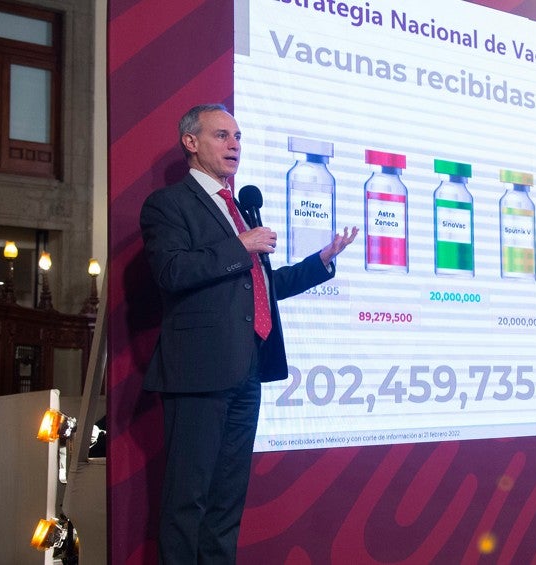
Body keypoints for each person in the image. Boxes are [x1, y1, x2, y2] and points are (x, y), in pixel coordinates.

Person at [140, 103, 358, 563]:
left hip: (247, 369)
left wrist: (319, 263)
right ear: (191, 142)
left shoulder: (239, 209)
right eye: (221, 135)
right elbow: (171, 271)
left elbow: (262, 286)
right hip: (197, 373)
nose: (234, 144)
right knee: (187, 501)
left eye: (238, 136)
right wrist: (239, 245)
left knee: (226, 502)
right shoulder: (169, 204)